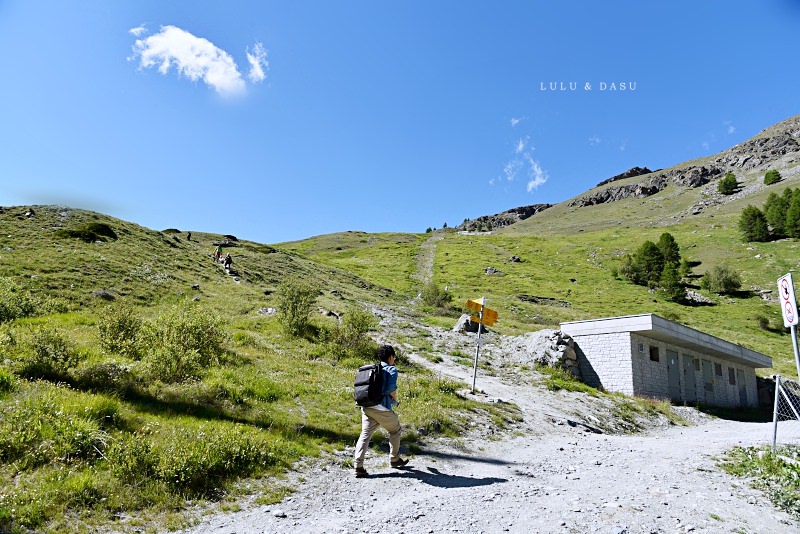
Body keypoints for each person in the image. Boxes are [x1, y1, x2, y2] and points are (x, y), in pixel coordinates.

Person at [353, 344, 408, 478]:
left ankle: (358, 466)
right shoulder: (391, 370)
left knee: (365, 434)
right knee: (395, 430)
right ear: (390, 357)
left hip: (366, 406)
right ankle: (394, 459)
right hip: (381, 407)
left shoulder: (372, 368)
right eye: (394, 357)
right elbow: (391, 390)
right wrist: (394, 401)